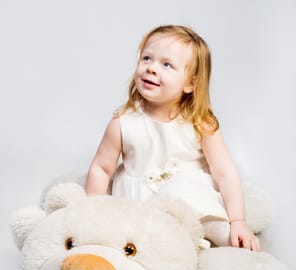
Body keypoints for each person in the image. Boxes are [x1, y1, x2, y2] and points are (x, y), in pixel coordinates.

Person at [85, 24, 260, 252]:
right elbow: (102, 168)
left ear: (190, 84)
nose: (152, 69)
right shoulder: (123, 121)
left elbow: (224, 171)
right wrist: (92, 212)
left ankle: (232, 245)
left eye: (166, 65)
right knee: (137, 241)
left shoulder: (200, 122)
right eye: (147, 58)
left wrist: (238, 221)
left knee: (206, 215)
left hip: (189, 200)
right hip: (142, 202)